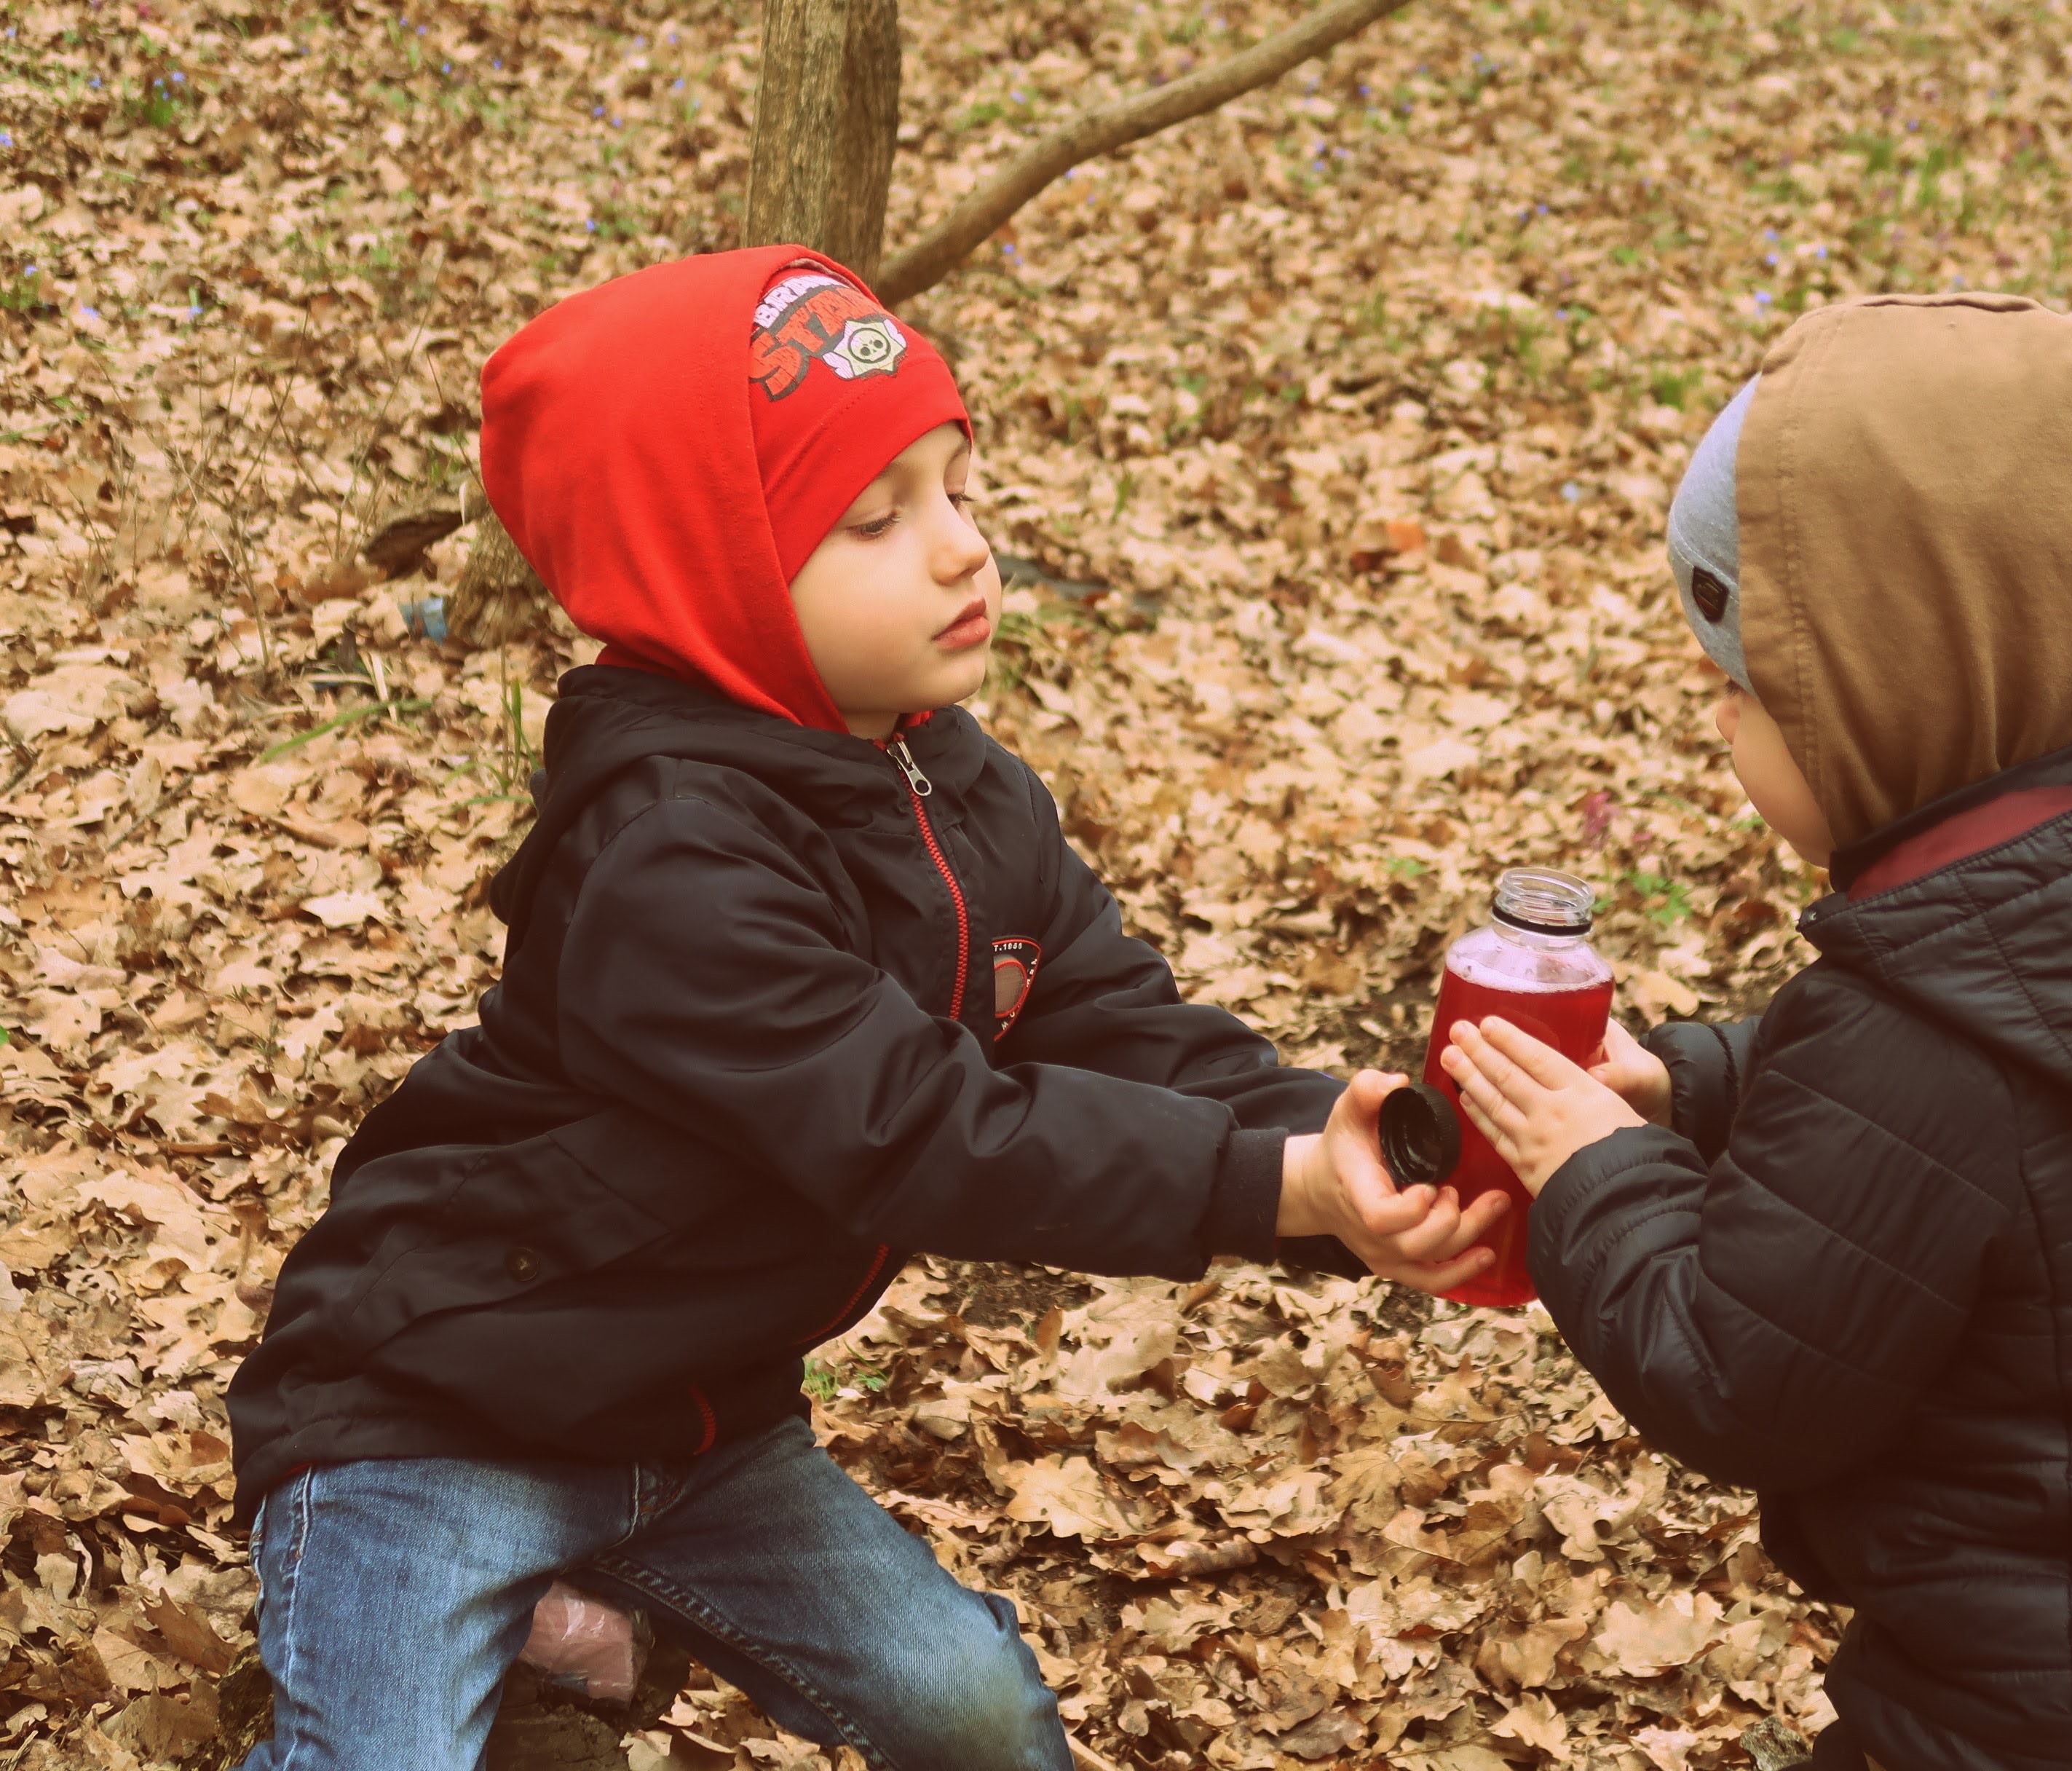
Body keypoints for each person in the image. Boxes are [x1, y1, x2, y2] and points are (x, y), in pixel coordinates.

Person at [222, 245, 1505, 1771]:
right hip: (438, 1419)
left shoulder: (962, 791)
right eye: (879, 519)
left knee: (975, 1714)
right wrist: (1267, 1189)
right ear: (717, 584)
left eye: (958, 486)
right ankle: (501, 1647)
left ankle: (559, 1632)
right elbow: (924, 1132)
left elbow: (1130, 1032)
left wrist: (1360, 1151)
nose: (963, 549)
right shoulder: (667, 858)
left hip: (694, 1429)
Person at [1437, 293, 2072, 1771]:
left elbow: (1744, 1376)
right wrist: (1691, 1081)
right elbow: (1991, 1131)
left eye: (1745, 685)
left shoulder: (1912, 1027)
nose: (1719, 722)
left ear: (1895, 697)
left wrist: (1594, 1172)